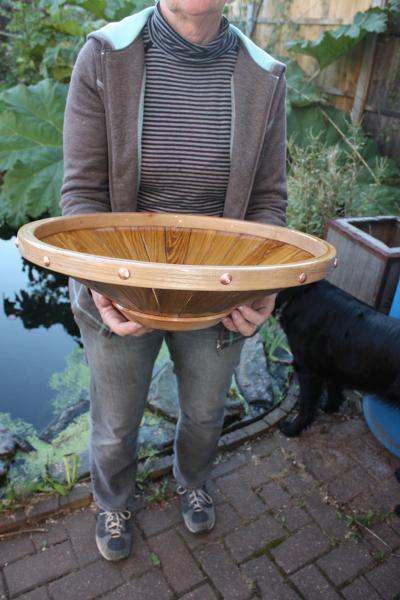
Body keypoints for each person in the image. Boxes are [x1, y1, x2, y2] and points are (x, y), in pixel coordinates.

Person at [61, 0, 287, 562]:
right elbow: (82, 195)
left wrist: (261, 281)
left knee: (207, 414)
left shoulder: (264, 76)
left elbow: (268, 201)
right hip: (121, 285)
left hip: (218, 288)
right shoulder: (104, 56)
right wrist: (101, 283)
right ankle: (114, 501)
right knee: (116, 425)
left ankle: (193, 480)